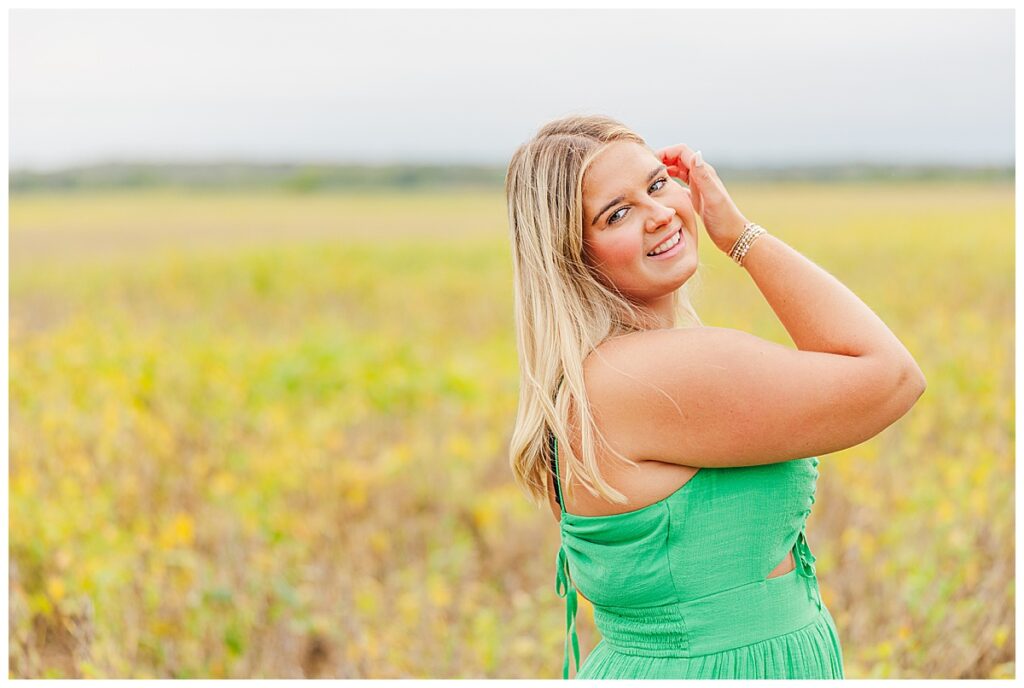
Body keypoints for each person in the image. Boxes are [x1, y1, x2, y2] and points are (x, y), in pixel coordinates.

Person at [504, 114, 926, 679]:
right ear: (571, 254)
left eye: (658, 184)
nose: (659, 214)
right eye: (618, 212)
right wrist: (740, 235)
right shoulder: (659, 375)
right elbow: (892, 376)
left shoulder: (589, 378)